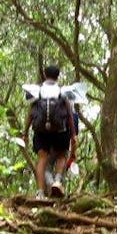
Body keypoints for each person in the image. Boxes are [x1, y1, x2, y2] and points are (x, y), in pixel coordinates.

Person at [25, 65, 77, 198]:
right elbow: (70, 115)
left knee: (42, 159)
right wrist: (73, 135)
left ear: (44, 74)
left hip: (41, 130)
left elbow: (31, 114)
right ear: (58, 76)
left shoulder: (37, 91)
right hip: (60, 130)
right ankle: (58, 181)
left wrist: (24, 132)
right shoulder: (63, 92)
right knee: (61, 156)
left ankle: (40, 192)